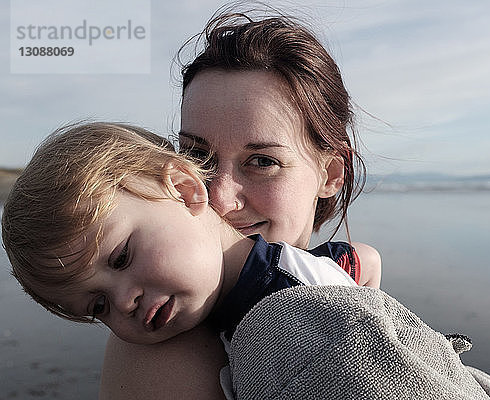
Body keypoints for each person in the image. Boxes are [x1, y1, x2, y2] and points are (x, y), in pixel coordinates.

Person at [99, 9, 381, 399]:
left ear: (331, 175)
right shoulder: (164, 342)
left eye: (262, 162)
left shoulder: (331, 281)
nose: (217, 197)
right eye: (197, 157)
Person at [1, 121, 377, 345]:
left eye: (121, 258)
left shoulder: (297, 303)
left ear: (184, 190)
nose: (124, 302)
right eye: (98, 306)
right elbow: (361, 259)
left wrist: (373, 305)